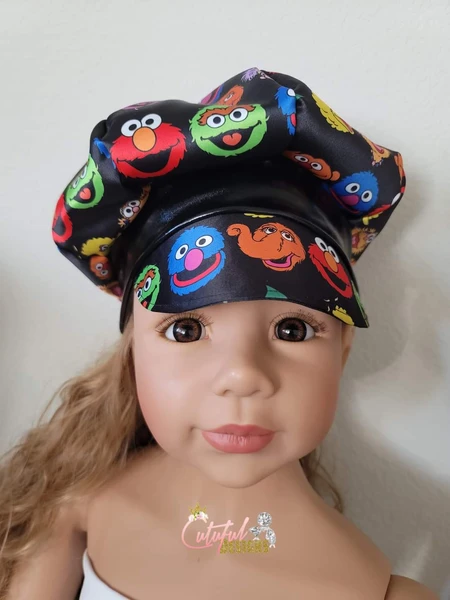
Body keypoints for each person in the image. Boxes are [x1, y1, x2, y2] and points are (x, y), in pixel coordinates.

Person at [0, 67, 438, 599]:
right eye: (186, 329)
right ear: (133, 349)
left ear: (343, 349)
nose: (242, 375)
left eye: (293, 329)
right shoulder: (76, 510)